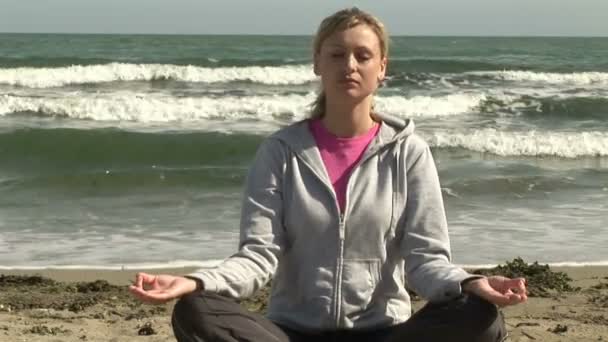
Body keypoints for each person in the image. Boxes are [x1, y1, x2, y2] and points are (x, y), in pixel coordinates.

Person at [129, 7, 527, 342]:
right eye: (336, 55)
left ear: (382, 67)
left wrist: (472, 282)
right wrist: (195, 282)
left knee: (482, 317)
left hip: (383, 333)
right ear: (317, 62)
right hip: (291, 333)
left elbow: (425, 262)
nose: (349, 65)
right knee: (195, 311)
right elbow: (257, 257)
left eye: (362, 55)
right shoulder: (281, 152)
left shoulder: (408, 152)